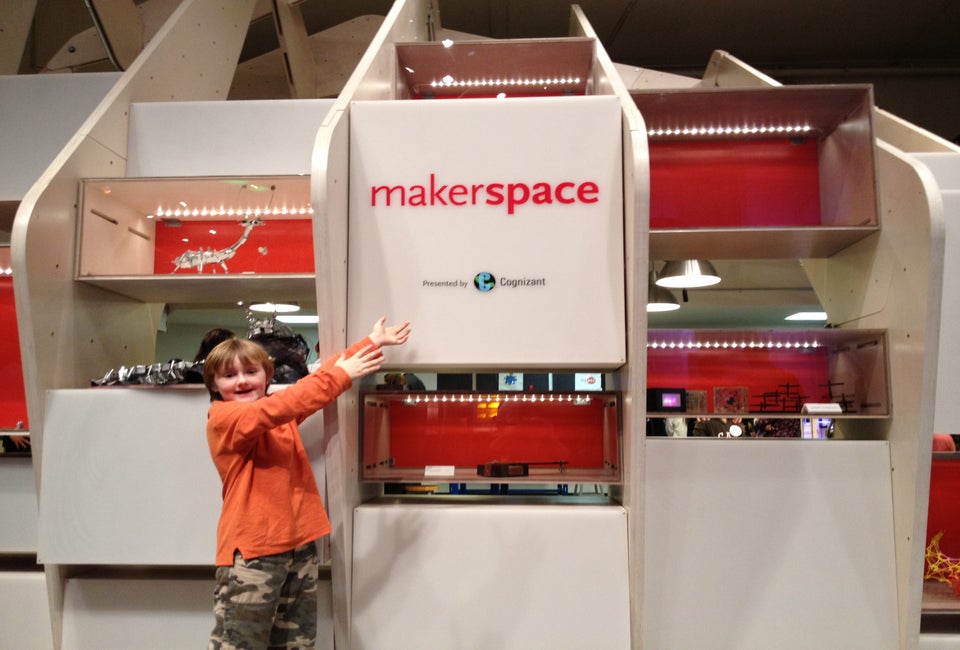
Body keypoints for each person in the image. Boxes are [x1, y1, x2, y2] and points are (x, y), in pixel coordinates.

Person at [203, 316, 411, 649]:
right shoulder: (225, 418)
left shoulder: (274, 414)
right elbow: (294, 399)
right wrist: (343, 374)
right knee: (239, 644)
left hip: (299, 546)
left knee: (296, 644)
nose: (241, 381)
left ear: (267, 376)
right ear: (214, 385)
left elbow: (311, 386)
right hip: (253, 551)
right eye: (229, 375)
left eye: (251, 372)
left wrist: (370, 342)